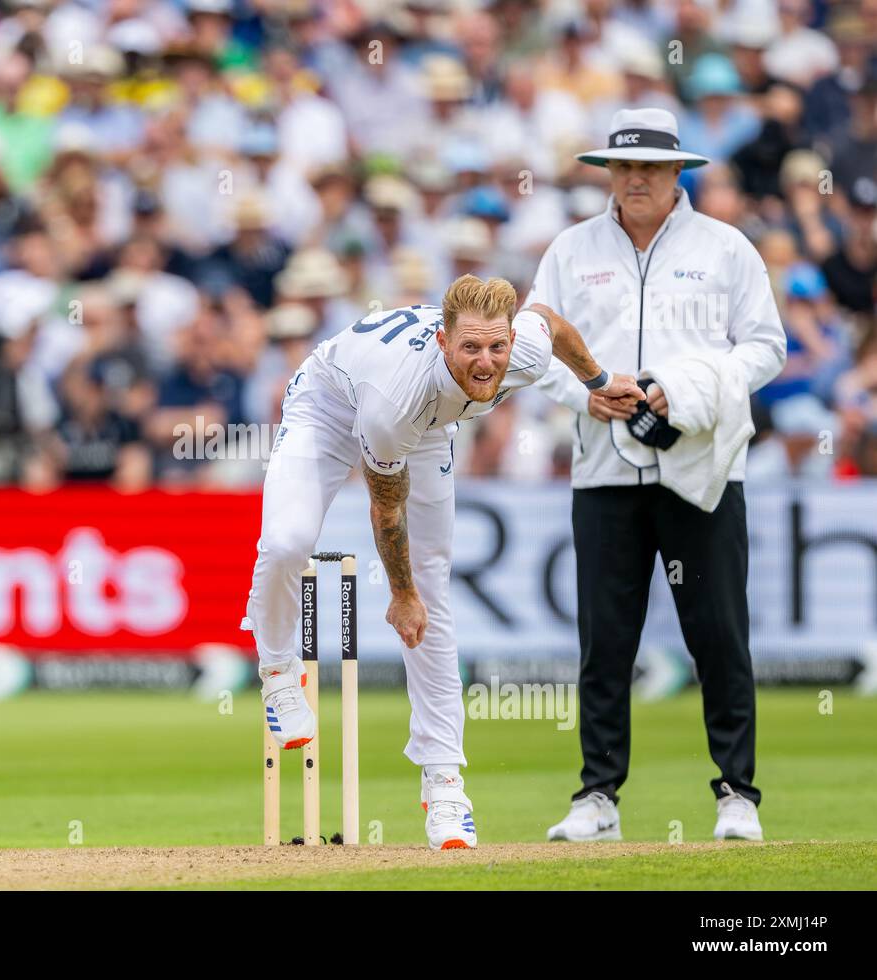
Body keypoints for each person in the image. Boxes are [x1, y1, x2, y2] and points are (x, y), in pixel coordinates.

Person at [241, 274, 643, 849]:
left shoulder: (521, 345)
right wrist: (399, 596)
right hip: (329, 407)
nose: (486, 363)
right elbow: (387, 510)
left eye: (496, 347)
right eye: (470, 348)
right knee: (287, 541)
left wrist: (598, 382)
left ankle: (446, 787)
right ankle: (279, 671)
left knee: (434, 594)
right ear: (441, 341)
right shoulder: (392, 405)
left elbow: (551, 325)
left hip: (432, 426)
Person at [528, 108, 787, 843]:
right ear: (607, 171)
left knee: (719, 635)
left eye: (651, 165)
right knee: (605, 641)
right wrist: (583, 393)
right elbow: (532, 345)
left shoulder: (726, 247)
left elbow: (766, 347)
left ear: (679, 171)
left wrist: (695, 388)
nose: (636, 177)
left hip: (701, 470)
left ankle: (738, 794)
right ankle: (597, 799)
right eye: (624, 165)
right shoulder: (571, 250)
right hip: (603, 470)